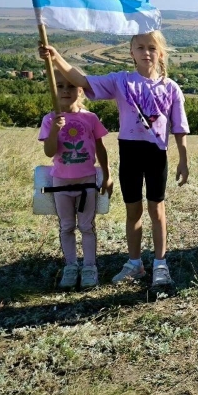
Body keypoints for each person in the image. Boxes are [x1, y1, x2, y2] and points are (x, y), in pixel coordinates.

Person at [39, 30, 189, 288]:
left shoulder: (170, 87)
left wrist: (183, 159)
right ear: (131, 52)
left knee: (157, 210)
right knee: (133, 210)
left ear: (161, 53)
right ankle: (135, 263)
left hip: (156, 154)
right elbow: (81, 80)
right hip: (129, 152)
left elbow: (179, 127)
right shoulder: (121, 81)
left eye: (152, 48)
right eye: (140, 47)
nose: (146, 53)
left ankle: (160, 263)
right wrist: (56, 58)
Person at [39, 70, 113, 289]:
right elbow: (49, 152)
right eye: (59, 86)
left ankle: (90, 267)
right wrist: (54, 130)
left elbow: (100, 148)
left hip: (87, 182)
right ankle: (71, 266)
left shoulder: (90, 118)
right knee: (66, 226)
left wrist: (107, 176)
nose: (65, 91)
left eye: (70, 86)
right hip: (61, 182)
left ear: (80, 90)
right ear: (53, 90)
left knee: (87, 226)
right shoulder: (50, 119)